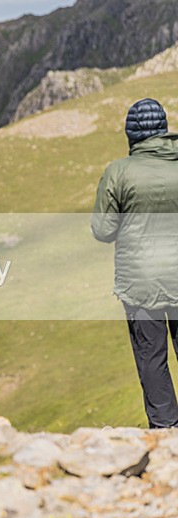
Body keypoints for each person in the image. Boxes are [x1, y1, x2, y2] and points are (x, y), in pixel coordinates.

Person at [91, 97, 178, 428]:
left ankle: (166, 432)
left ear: (131, 134)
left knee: (151, 357)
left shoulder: (118, 172)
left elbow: (103, 230)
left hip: (141, 283)